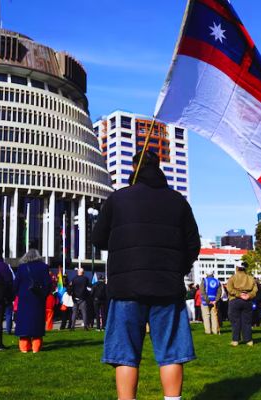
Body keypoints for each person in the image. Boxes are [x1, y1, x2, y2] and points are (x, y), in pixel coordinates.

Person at [92, 150, 200, 400]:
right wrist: (177, 270)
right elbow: (193, 244)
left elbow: (98, 239)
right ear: (159, 165)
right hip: (167, 287)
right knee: (171, 352)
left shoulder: (118, 199)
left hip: (126, 287)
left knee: (125, 354)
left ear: (133, 167)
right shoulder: (177, 201)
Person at [14, 249, 52, 353]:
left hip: (24, 300)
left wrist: (19, 294)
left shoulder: (22, 268)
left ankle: (24, 347)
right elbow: (48, 284)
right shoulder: (44, 267)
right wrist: (44, 295)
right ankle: (36, 347)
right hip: (38, 299)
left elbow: (16, 284)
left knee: (24, 326)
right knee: (37, 326)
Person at [226, 262, 258, 346]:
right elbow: (255, 290)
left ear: (237, 268)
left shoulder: (232, 278)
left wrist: (239, 294)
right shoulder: (251, 278)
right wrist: (249, 295)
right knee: (247, 321)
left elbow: (229, 289)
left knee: (235, 321)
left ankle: (235, 340)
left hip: (235, 300)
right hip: (247, 301)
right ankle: (249, 340)